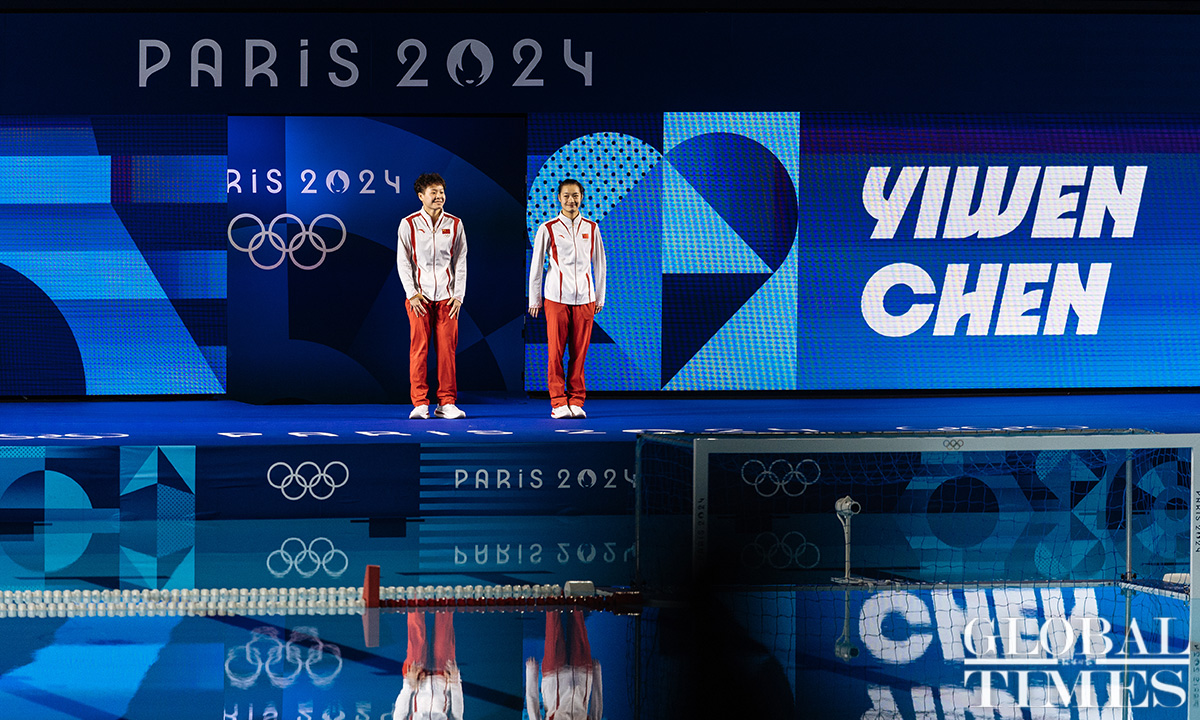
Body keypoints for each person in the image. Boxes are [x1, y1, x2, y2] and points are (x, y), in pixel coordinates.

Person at [528, 179, 606, 419]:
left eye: (575, 196)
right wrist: (534, 299)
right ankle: (558, 402)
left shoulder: (592, 228)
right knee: (556, 352)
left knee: (579, 353)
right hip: (556, 298)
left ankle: (576, 400)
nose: (571, 200)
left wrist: (599, 297)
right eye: (566, 196)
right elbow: (536, 265)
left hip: (585, 298)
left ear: (582, 197)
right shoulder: (548, 228)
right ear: (559, 198)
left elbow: (600, 264)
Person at [398, 173, 467, 419]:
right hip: (419, 298)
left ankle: (446, 403)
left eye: (441, 192)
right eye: (433, 193)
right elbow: (403, 261)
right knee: (419, 350)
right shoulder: (409, 223)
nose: (439, 197)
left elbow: (461, 261)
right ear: (421, 196)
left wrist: (458, 295)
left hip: (448, 299)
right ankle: (419, 403)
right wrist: (412, 294)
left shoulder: (455, 224)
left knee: (447, 352)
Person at [525, 610, 602, 720]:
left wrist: (531, 674)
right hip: (582, 677)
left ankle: (553, 599)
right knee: (578, 615)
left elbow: (534, 716)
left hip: (553, 678)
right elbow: (596, 714)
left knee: (552, 617)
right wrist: (597, 674)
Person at [393, 611, 463, 720]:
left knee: (417, 643)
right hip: (443, 677)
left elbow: (398, 716)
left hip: (416, 680)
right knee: (443, 635)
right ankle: (443, 600)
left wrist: (408, 684)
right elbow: (457, 715)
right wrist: (455, 682)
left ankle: (416, 601)